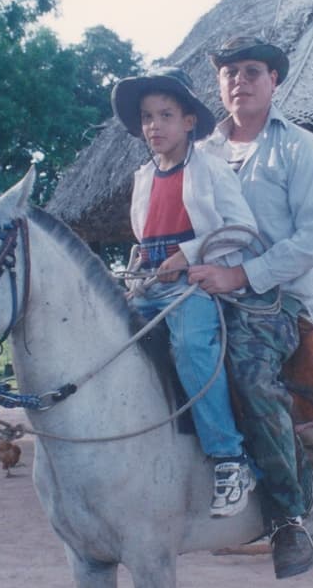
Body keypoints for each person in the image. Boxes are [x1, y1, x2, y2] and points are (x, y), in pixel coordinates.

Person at [187, 36, 313, 578]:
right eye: (230, 72)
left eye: (253, 71)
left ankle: (289, 515)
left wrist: (241, 275)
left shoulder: (299, 148)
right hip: (207, 290)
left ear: (275, 81)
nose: (239, 81)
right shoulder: (199, 153)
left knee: (249, 372)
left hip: (277, 300)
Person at [111, 66, 259, 517]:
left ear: (189, 122)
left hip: (192, 286)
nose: (154, 126)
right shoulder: (142, 178)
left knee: (193, 346)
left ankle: (230, 459)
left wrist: (190, 255)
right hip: (149, 284)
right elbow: (146, 236)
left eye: (166, 115)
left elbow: (243, 230)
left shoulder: (211, 170)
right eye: (147, 117)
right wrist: (140, 265)